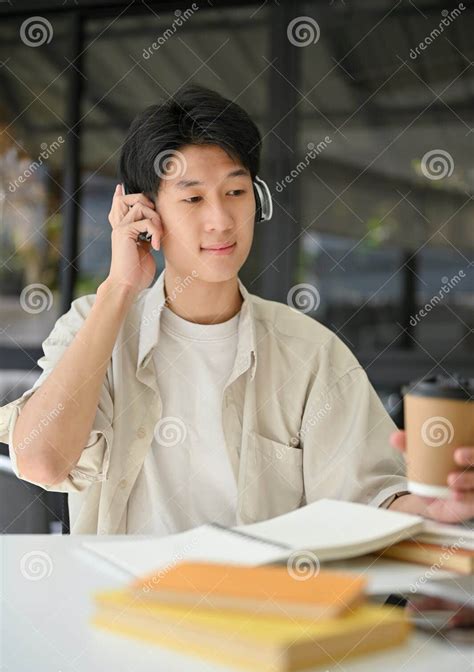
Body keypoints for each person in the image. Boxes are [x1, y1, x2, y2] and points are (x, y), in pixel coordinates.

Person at [0, 85, 472, 534]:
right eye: (192, 198)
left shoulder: (309, 352)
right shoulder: (94, 325)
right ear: (144, 212)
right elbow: (42, 459)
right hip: (119, 612)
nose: (222, 220)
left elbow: (371, 498)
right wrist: (119, 287)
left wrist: (435, 507)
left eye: (235, 192)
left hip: (261, 611)